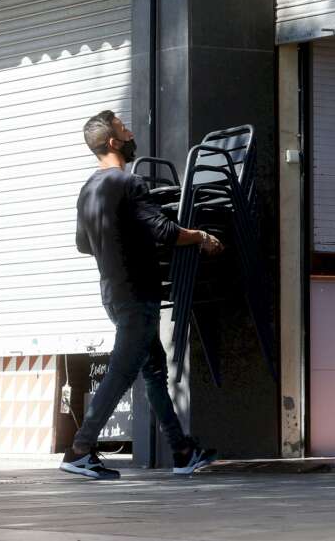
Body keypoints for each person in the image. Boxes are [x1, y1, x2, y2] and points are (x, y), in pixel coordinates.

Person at [60, 109, 223, 480]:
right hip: (138, 294)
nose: (131, 132)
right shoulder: (128, 183)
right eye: (124, 128)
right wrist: (201, 236)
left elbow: (83, 244)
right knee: (121, 372)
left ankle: (182, 451)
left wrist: (118, 241)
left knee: (152, 371)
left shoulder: (88, 189)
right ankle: (80, 449)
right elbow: (164, 230)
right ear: (115, 142)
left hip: (114, 293)